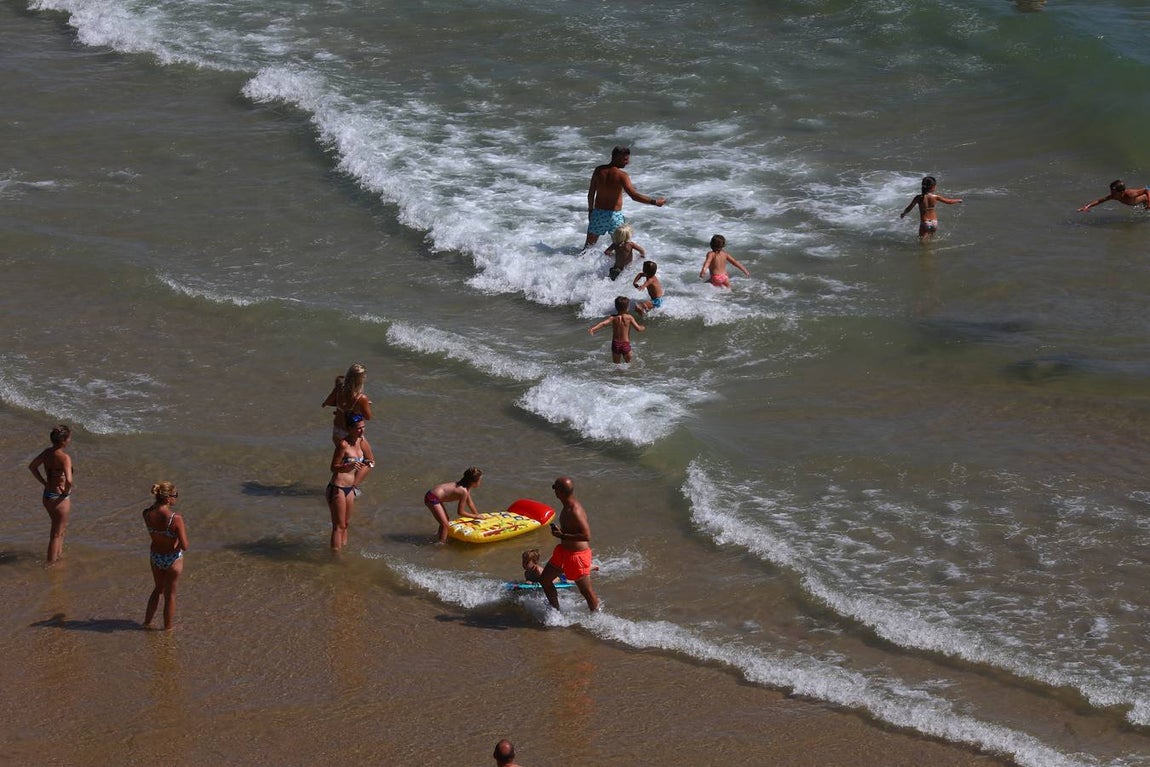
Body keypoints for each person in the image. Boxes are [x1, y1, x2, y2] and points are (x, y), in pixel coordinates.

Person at [583, 146, 666, 249]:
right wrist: (655, 202)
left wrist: (591, 211)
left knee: (587, 248)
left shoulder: (599, 170)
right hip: (614, 216)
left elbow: (591, 194)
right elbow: (634, 196)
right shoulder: (622, 175)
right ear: (617, 158)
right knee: (622, 249)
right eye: (625, 159)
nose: (628, 162)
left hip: (598, 214)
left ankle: (579, 260)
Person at [539, 476, 599, 611]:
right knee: (545, 580)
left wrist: (562, 535)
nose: (554, 491)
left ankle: (597, 616)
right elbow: (573, 529)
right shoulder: (567, 506)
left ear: (559, 492)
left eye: (555, 488)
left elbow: (586, 536)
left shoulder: (574, 510)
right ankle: (555, 611)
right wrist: (561, 532)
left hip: (577, 556)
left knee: (586, 592)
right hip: (563, 552)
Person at [142, 481, 189, 631]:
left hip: (156, 556)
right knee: (170, 595)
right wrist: (177, 545)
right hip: (172, 558)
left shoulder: (146, 513)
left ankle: (147, 622)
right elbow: (185, 545)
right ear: (168, 498)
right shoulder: (175, 518)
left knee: (158, 589)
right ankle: (168, 628)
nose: (176, 498)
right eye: (175, 495)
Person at [326, 412, 375, 551]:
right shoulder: (343, 445)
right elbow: (333, 467)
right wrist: (348, 466)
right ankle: (336, 557)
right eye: (358, 428)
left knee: (346, 524)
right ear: (350, 429)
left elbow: (371, 460)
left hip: (350, 489)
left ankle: (344, 551)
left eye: (363, 427)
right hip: (337, 488)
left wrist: (366, 465)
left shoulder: (362, 441)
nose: (362, 430)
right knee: (338, 526)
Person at [28, 424, 74, 565]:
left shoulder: (47, 452)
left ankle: (58, 557)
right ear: (64, 440)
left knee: (60, 530)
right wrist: (66, 492)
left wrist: (44, 482)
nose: (70, 440)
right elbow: (69, 480)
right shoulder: (65, 457)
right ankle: (51, 566)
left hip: (47, 495)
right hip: (59, 498)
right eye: (69, 438)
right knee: (56, 534)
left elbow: (32, 467)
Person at [423, 467, 485, 544]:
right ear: (473, 482)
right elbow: (460, 512)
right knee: (445, 524)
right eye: (479, 480)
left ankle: (439, 537)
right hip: (432, 498)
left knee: (445, 520)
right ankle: (440, 545)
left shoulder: (465, 487)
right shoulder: (463, 491)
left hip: (434, 494)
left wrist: (477, 515)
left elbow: (470, 503)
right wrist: (475, 516)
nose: (480, 482)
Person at [322, 363, 373, 445]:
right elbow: (368, 417)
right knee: (367, 453)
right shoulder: (361, 398)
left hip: (337, 430)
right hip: (351, 433)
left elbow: (326, 403)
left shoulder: (339, 388)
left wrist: (342, 406)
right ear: (361, 380)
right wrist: (363, 406)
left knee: (340, 453)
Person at [589, 296, 646, 364]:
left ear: (616, 307)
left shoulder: (613, 317)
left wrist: (593, 329)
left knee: (616, 365)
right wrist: (643, 327)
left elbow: (603, 324)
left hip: (615, 344)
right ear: (627, 308)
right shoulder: (629, 317)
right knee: (629, 363)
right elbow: (638, 329)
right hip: (625, 344)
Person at [1077, 180, 1150, 213]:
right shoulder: (1115, 196)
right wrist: (1087, 207)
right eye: (1111, 191)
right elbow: (1099, 201)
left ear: (1121, 192)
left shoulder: (1130, 194)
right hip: (1144, 201)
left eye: (1113, 192)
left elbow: (1146, 190)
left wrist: (1149, 202)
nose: (1111, 193)